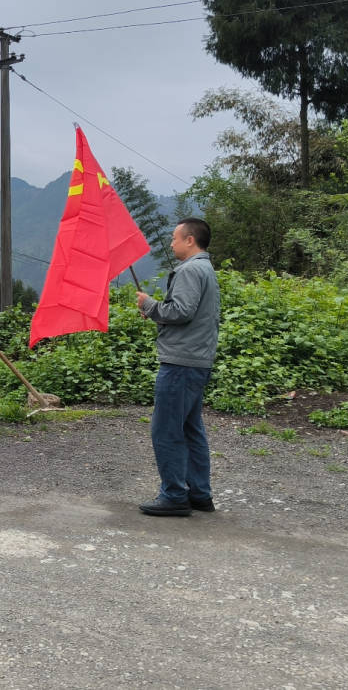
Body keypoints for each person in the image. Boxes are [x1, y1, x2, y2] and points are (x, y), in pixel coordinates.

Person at [136, 218, 221, 517]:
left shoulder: (189, 270)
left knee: (166, 429)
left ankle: (174, 494)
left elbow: (181, 311)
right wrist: (158, 309)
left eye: (175, 238)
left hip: (181, 362)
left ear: (190, 240)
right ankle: (199, 493)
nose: (171, 243)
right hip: (197, 360)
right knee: (190, 428)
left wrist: (149, 305)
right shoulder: (205, 269)